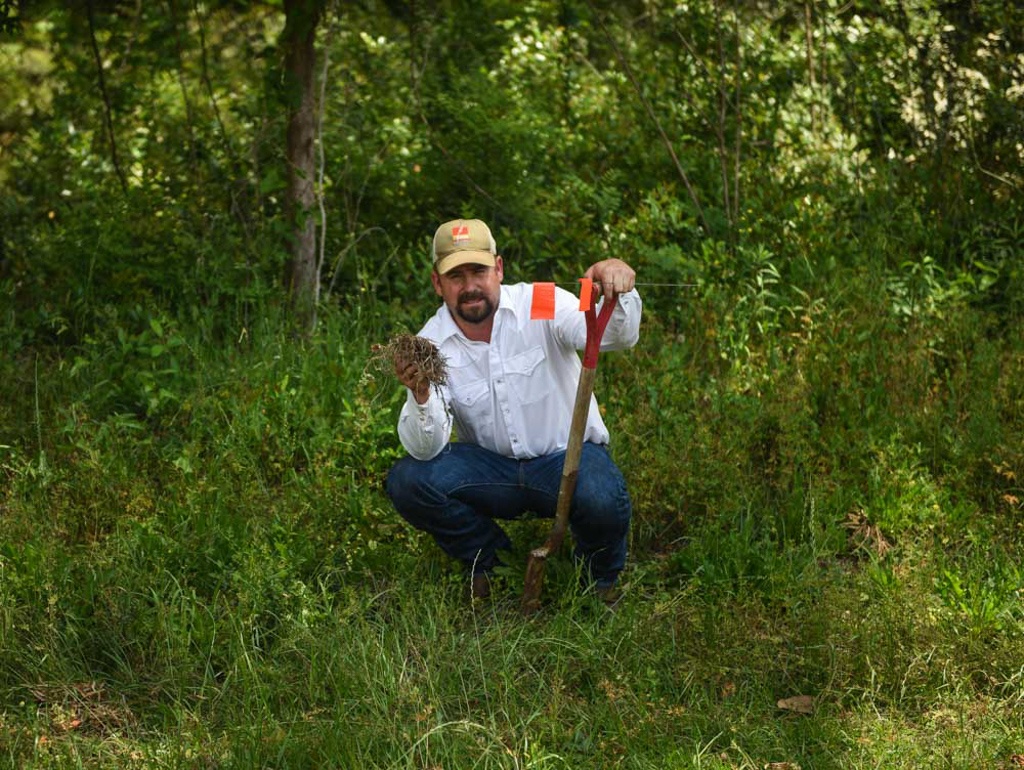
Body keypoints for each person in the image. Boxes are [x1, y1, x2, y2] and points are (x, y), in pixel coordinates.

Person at [385, 218, 642, 602]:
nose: (470, 286)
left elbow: (615, 336)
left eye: (479, 271)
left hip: (565, 461)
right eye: (456, 276)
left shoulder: (539, 301)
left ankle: (597, 582)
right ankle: (491, 560)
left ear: (499, 269)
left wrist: (617, 285)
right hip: (494, 471)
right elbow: (426, 449)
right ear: (437, 284)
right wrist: (421, 393)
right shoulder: (431, 342)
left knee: (602, 494)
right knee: (407, 480)